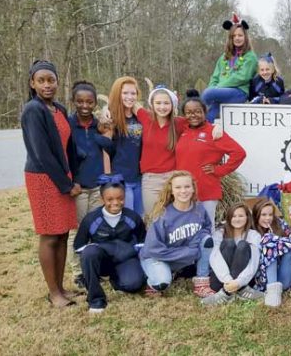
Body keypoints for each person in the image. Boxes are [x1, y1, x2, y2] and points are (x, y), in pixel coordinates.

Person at [21, 60, 81, 308]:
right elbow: (42, 154)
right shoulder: (33, 110)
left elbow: (68, 147)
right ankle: (53, 292)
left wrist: (73, 178)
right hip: (44, 179)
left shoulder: (58, 108)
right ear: (32, 83)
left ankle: (61, 286)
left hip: (63, 176)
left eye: (51, 80)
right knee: (49, 235)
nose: (47, 85)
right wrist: (66, 186)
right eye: (42, 80)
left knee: (63, 233)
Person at [73, 179, 146, 313]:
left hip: (125, 260)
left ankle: (115, 280)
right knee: (89, 252)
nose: (115, 203)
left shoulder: (133, 217)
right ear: (102, 200)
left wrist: (128, 252)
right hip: (102, 262)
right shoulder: (91, 219)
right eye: (110, 199)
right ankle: (96, 300)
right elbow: (79, 246)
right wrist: (100, 249)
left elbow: (143, 242)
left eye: (120, 198)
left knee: (135, 284)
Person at [139, 171, 215, 297]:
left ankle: (202, 283)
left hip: (182, 255)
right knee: (161, 283)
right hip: (156, 257)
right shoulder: (163, 216)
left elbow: (206, 228)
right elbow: (153, 250)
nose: (183, 191)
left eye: (187, 187)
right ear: (171, 191)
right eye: (178, 187)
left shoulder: (199, 208)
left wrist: (195, 243)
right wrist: (188, 252)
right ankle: (155, 279)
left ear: (193, 189)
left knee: (207, 240)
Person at [68, 81, 113, 288]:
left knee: (97, 228)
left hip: (97, 186)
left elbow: (110, 148)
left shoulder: (100, 125)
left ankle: (97, 267)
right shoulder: (68, 125)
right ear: (73, 101)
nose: (84, 105)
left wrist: (104, 134)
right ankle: (78, 272)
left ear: (95, 103)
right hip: (77, 188)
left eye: (89, 101)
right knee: (78, 230)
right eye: (80, 101)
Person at [176, 90, 246, 221]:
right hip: (184, 192)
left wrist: (219, 170)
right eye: (189, 113)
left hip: (206, 191)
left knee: (207, 230)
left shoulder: (213, 132)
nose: (193, 115)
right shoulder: (183, 129)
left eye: (197, 111)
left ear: (205, 112)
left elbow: (239, 153)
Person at [137, 86, 187, 218]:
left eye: (166, 103)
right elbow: (125, 103)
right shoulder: (145, 117)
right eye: (158, 103)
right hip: (150, 179)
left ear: (173, 105)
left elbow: (200, 123)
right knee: (152, 217)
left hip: (172, 178)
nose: (162, 107)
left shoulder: (179, 123)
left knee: (173, 217)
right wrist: (106, 111)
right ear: (152, 104)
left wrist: (216, 127)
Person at [202, 203, 263, 305]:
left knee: (243, 245)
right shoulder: (219, 233)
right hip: (221, 280)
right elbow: (214, 257)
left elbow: (254, 262)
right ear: (229, 218)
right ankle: (235, 291)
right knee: (228, 243)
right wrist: (229, 280)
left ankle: (226, 294)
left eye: (241, 216)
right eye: (234, 216)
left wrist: (238, 282)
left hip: (243, 281)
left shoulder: (253, 235)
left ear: (247, 217)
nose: (237, 219)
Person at [202, 14, 258, 121]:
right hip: (221, 91)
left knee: (207, 94)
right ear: (230, 38)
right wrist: (213, 86)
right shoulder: (224, 57)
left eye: (240, 35)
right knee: (210, 115)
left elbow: (242, 77)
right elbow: (215, 76)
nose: (237, 38)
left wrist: (218, 88)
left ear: (245, 37)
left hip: (239, 92)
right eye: (234, 36)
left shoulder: (250, 56)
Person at [106, 76, 144, 216]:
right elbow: (105, 150)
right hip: (121, 178)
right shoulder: (111, 118)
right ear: (118, 94)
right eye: (125, 93)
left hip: (140, 178)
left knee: (140, 220)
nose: (130, 97)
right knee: (127, 218)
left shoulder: (140, 117)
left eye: (133, 93)